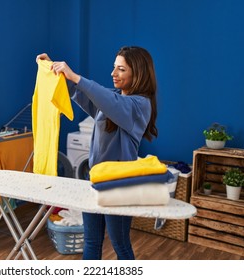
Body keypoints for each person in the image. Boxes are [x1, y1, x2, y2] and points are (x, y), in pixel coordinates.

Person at [36, 46, 158, 260]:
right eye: (114, 68)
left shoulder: (140, 105)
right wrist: (55, 68)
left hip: (118, 186)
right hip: (94, 179)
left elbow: (111, 102)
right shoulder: (112, 98)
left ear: (137, 74)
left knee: (120, 244)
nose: (113, 74)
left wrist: (75, 75)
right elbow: (83, 95)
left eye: (121, 69)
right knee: (91, 241)